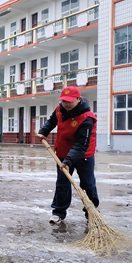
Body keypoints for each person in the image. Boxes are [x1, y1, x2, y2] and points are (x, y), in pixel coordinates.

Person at [37, 86, 99, 224]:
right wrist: (44, 131)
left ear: (78, 99)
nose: (66, 103)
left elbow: (81, 144)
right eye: (64, 100)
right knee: (62, 183)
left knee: (87, 183)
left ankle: (91, 211)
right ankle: (58, 212)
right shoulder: (60, 109)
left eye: (69, 101)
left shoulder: (87, 118)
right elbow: (52, 120)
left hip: (84, 155)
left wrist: (69, 160)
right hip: (62, 152)